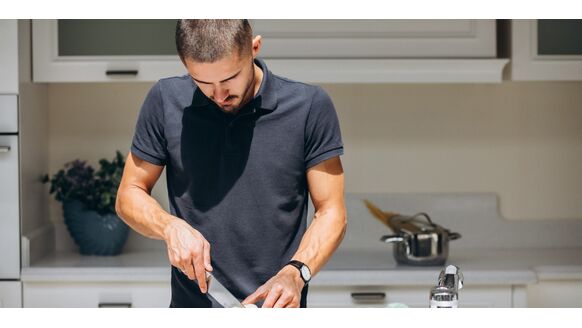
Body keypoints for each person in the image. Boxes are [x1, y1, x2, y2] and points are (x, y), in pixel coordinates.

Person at [115, 19, 346, 308]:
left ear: (254, 48)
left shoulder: (309, 106)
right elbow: (128, 194)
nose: (219, 95)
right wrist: (169, 226)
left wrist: (297, 273)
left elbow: (332, 212)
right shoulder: (165, 99)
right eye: (203, 83)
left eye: (229, 79)